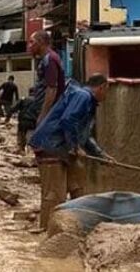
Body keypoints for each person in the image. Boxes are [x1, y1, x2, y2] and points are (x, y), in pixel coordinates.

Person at [29, 74, 113, 230]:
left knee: (78, 185)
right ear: (102, 87)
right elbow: (68, 120)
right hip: (51, 146)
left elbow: (85, 135)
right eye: (107, 90)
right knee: (54, 194)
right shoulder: (83, 96)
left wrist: (100, 154)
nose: (107, 95)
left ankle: (79, 225)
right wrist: (74, 147)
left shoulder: (87, 100)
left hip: (63, 148)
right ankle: (49, 231)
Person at [28, 30, 65, 125]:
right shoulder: (46, 59)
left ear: (40, 42)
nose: (29, 46)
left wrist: (43, 115)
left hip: (50, 112)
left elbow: (51, 89)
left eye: (32, 42)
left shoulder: (50, 59)